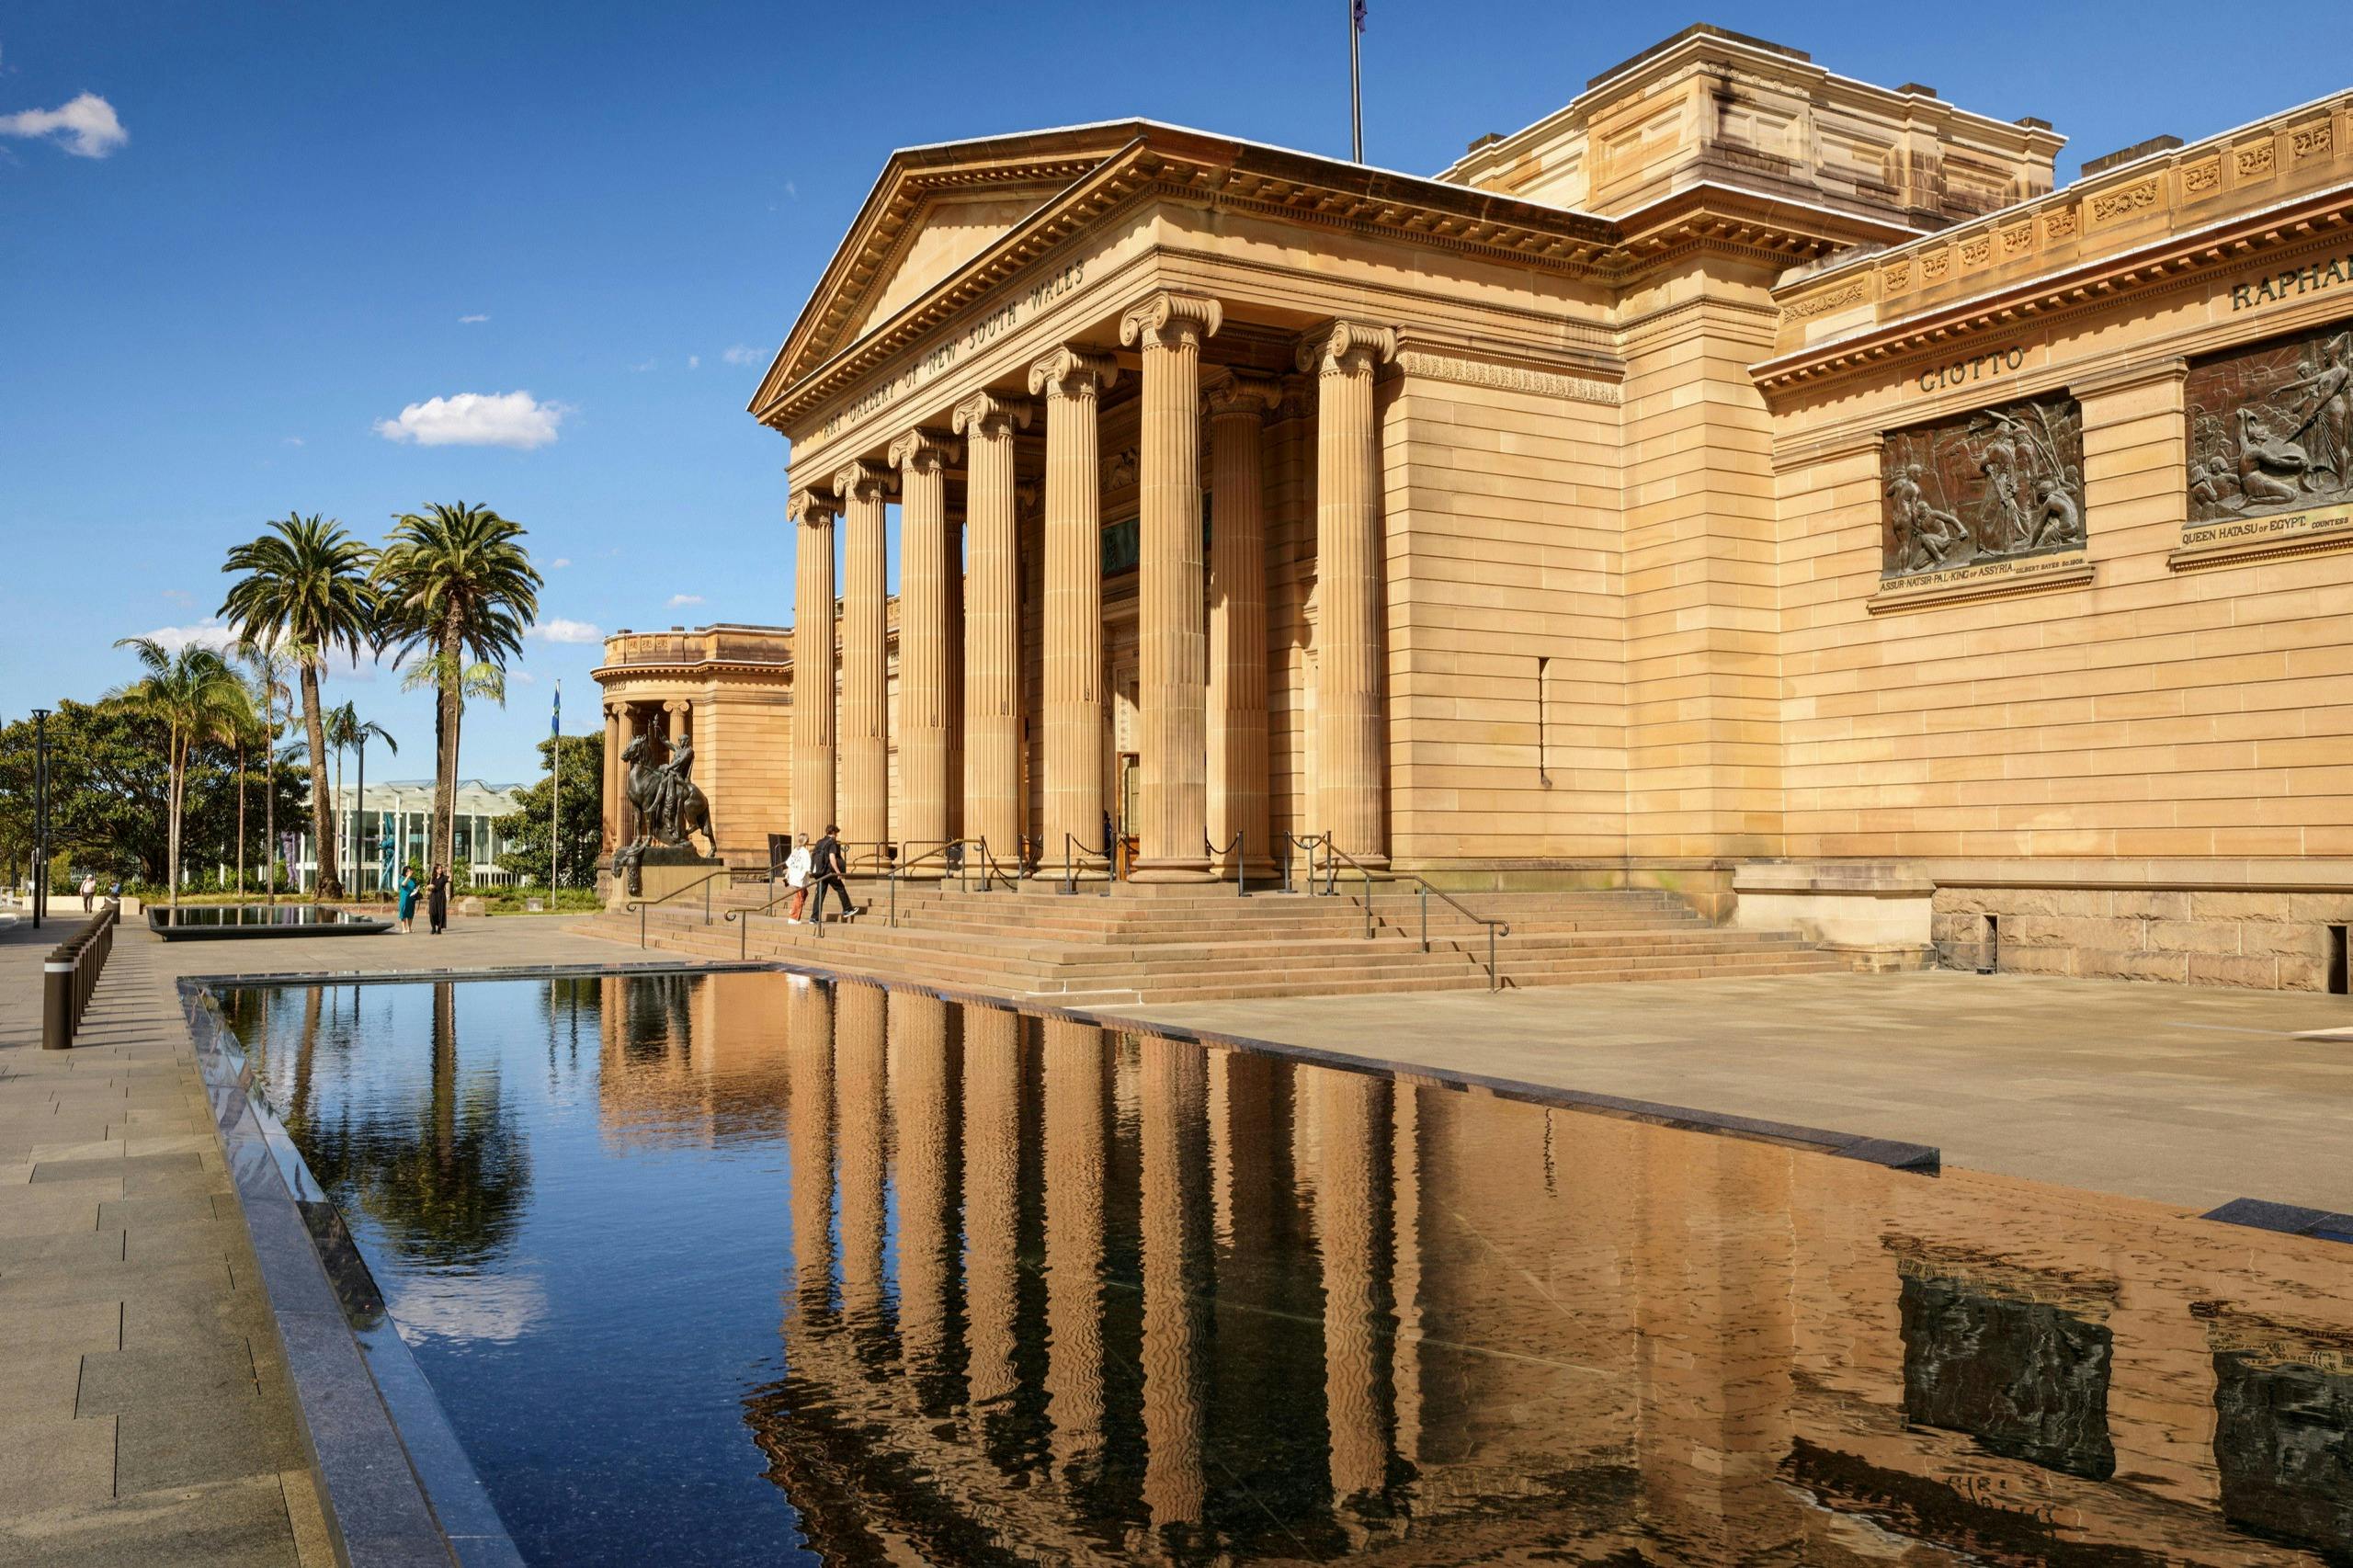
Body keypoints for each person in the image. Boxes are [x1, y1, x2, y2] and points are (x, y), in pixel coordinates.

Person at [807, 825, 851, 925]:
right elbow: (832, 858)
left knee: (819, 895)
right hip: (828, 872)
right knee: (840, 888)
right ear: (834, 833)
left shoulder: (819, 842)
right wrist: (838, 871)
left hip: (820, 872)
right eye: (836, 833)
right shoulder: (832, 843)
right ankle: (847, 909)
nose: (837, 836)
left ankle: (814, 918)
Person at [783, 834, 813, 923]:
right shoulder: (805, 852)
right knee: (799, 897)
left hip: (793, 877)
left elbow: (789, 863)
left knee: (803, 894)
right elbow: (808, 866)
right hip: (799, 878)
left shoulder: (795, 850)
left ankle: (794, 911)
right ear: (806, 841)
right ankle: (793, 917)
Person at [428, 865, 450, 936]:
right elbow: (427, 887)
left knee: (440, 912)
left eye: (441, 868)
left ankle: (439, 929)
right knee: (432, 912)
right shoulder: (432, 878)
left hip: (441, 896)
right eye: (439, 869)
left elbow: (450, 880)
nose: (440, 870)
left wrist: (449, 872)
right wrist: (429, 888)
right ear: (436, 870)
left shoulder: (444, 877)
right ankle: (433, 928)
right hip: (433, 896)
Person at [397, 868, 420, 933]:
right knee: (403, 912)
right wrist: (408, 876)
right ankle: (404, 928)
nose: (410, 872)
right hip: (404, 898)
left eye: (411, 871)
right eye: (409, 871)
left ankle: (409, 928)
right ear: (405, 872)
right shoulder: (402, 878)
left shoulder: (413, 880)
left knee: (410, 913)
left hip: (411, 898)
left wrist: (417, 889)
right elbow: (403, 884)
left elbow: (415, 887)